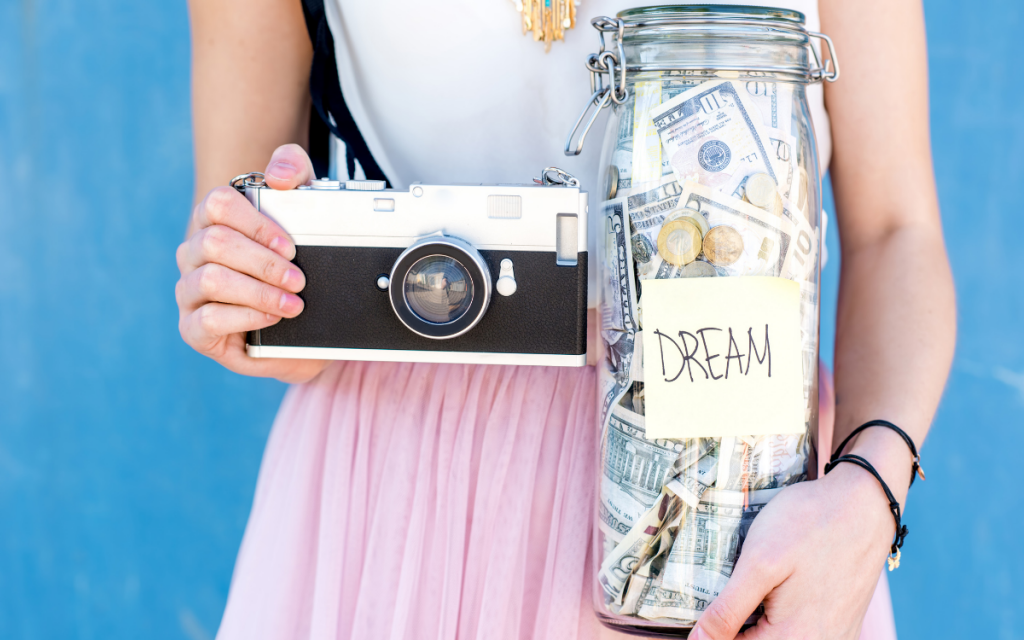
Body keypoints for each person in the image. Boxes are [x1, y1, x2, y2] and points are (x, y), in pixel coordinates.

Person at [177, 0, 955, 638]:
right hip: (401, 490)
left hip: (738, 491)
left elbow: (897, 230)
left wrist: (865, 501)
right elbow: (239, 244)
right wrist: (247, 292)